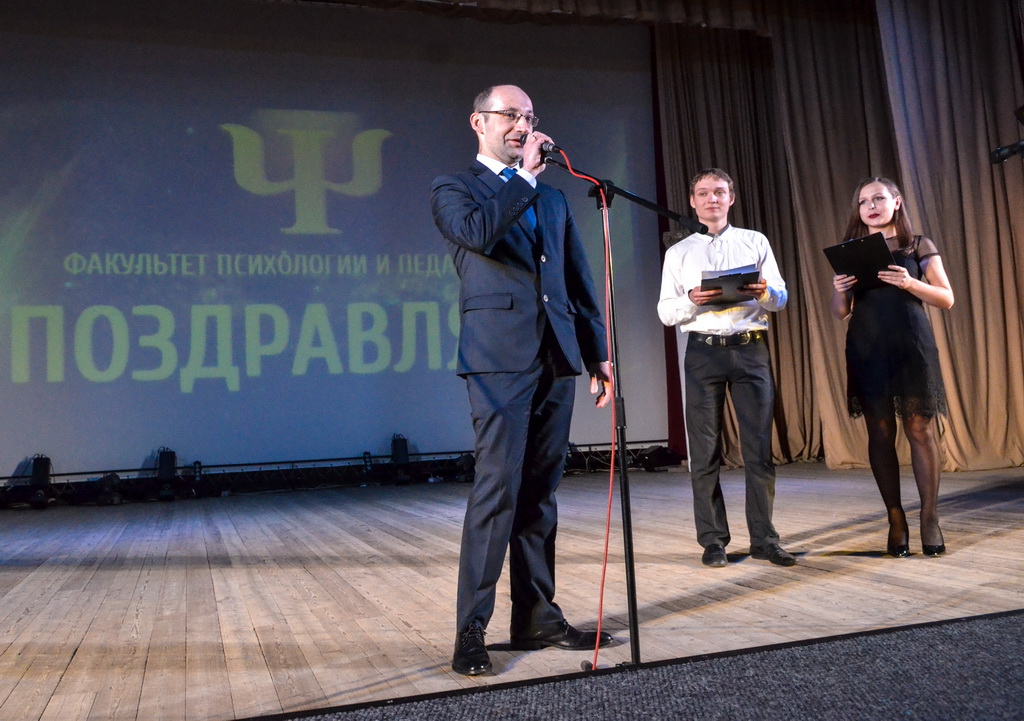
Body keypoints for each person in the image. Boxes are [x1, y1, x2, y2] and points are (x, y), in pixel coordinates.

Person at [430, 84, 614, 676]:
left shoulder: (553, 198)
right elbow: (480, 233)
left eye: (529, 116)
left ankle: (536, 616)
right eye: (511, 115)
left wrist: (597, 352)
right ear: (478, 122)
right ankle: (471, 629)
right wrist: (523, 179)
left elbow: (577, 279)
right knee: (498, 490)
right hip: (497, 360)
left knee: (540, 493)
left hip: (555, 357)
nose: (522, 125)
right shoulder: (455, 188)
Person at [657, 168, 794, 569]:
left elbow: (780, 298)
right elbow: (666, 312)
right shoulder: (679, 253)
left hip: (750, 349)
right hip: (704, 352)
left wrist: (765, 292)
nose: (712, 199)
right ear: (692, 201)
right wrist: (692, 299)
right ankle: (713, 540)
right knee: (704, 451)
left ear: (731, 198)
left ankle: (764, 540)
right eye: (704, 193)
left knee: (759, 449)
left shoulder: (755, 242)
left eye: (719, 192)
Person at [830, 177, 954, 558]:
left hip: (911, 346)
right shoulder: (852, 252)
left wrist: (909, 283)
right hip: (867, 348)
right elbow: (840, 312)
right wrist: (839, 289)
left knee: (920, 429)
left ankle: (929, 518)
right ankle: (895, 518)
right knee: (881, 433)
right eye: (864, 201)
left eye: (878, 198)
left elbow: (946, 298)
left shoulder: (917, 245)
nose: (871, 206)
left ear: (896, 202)